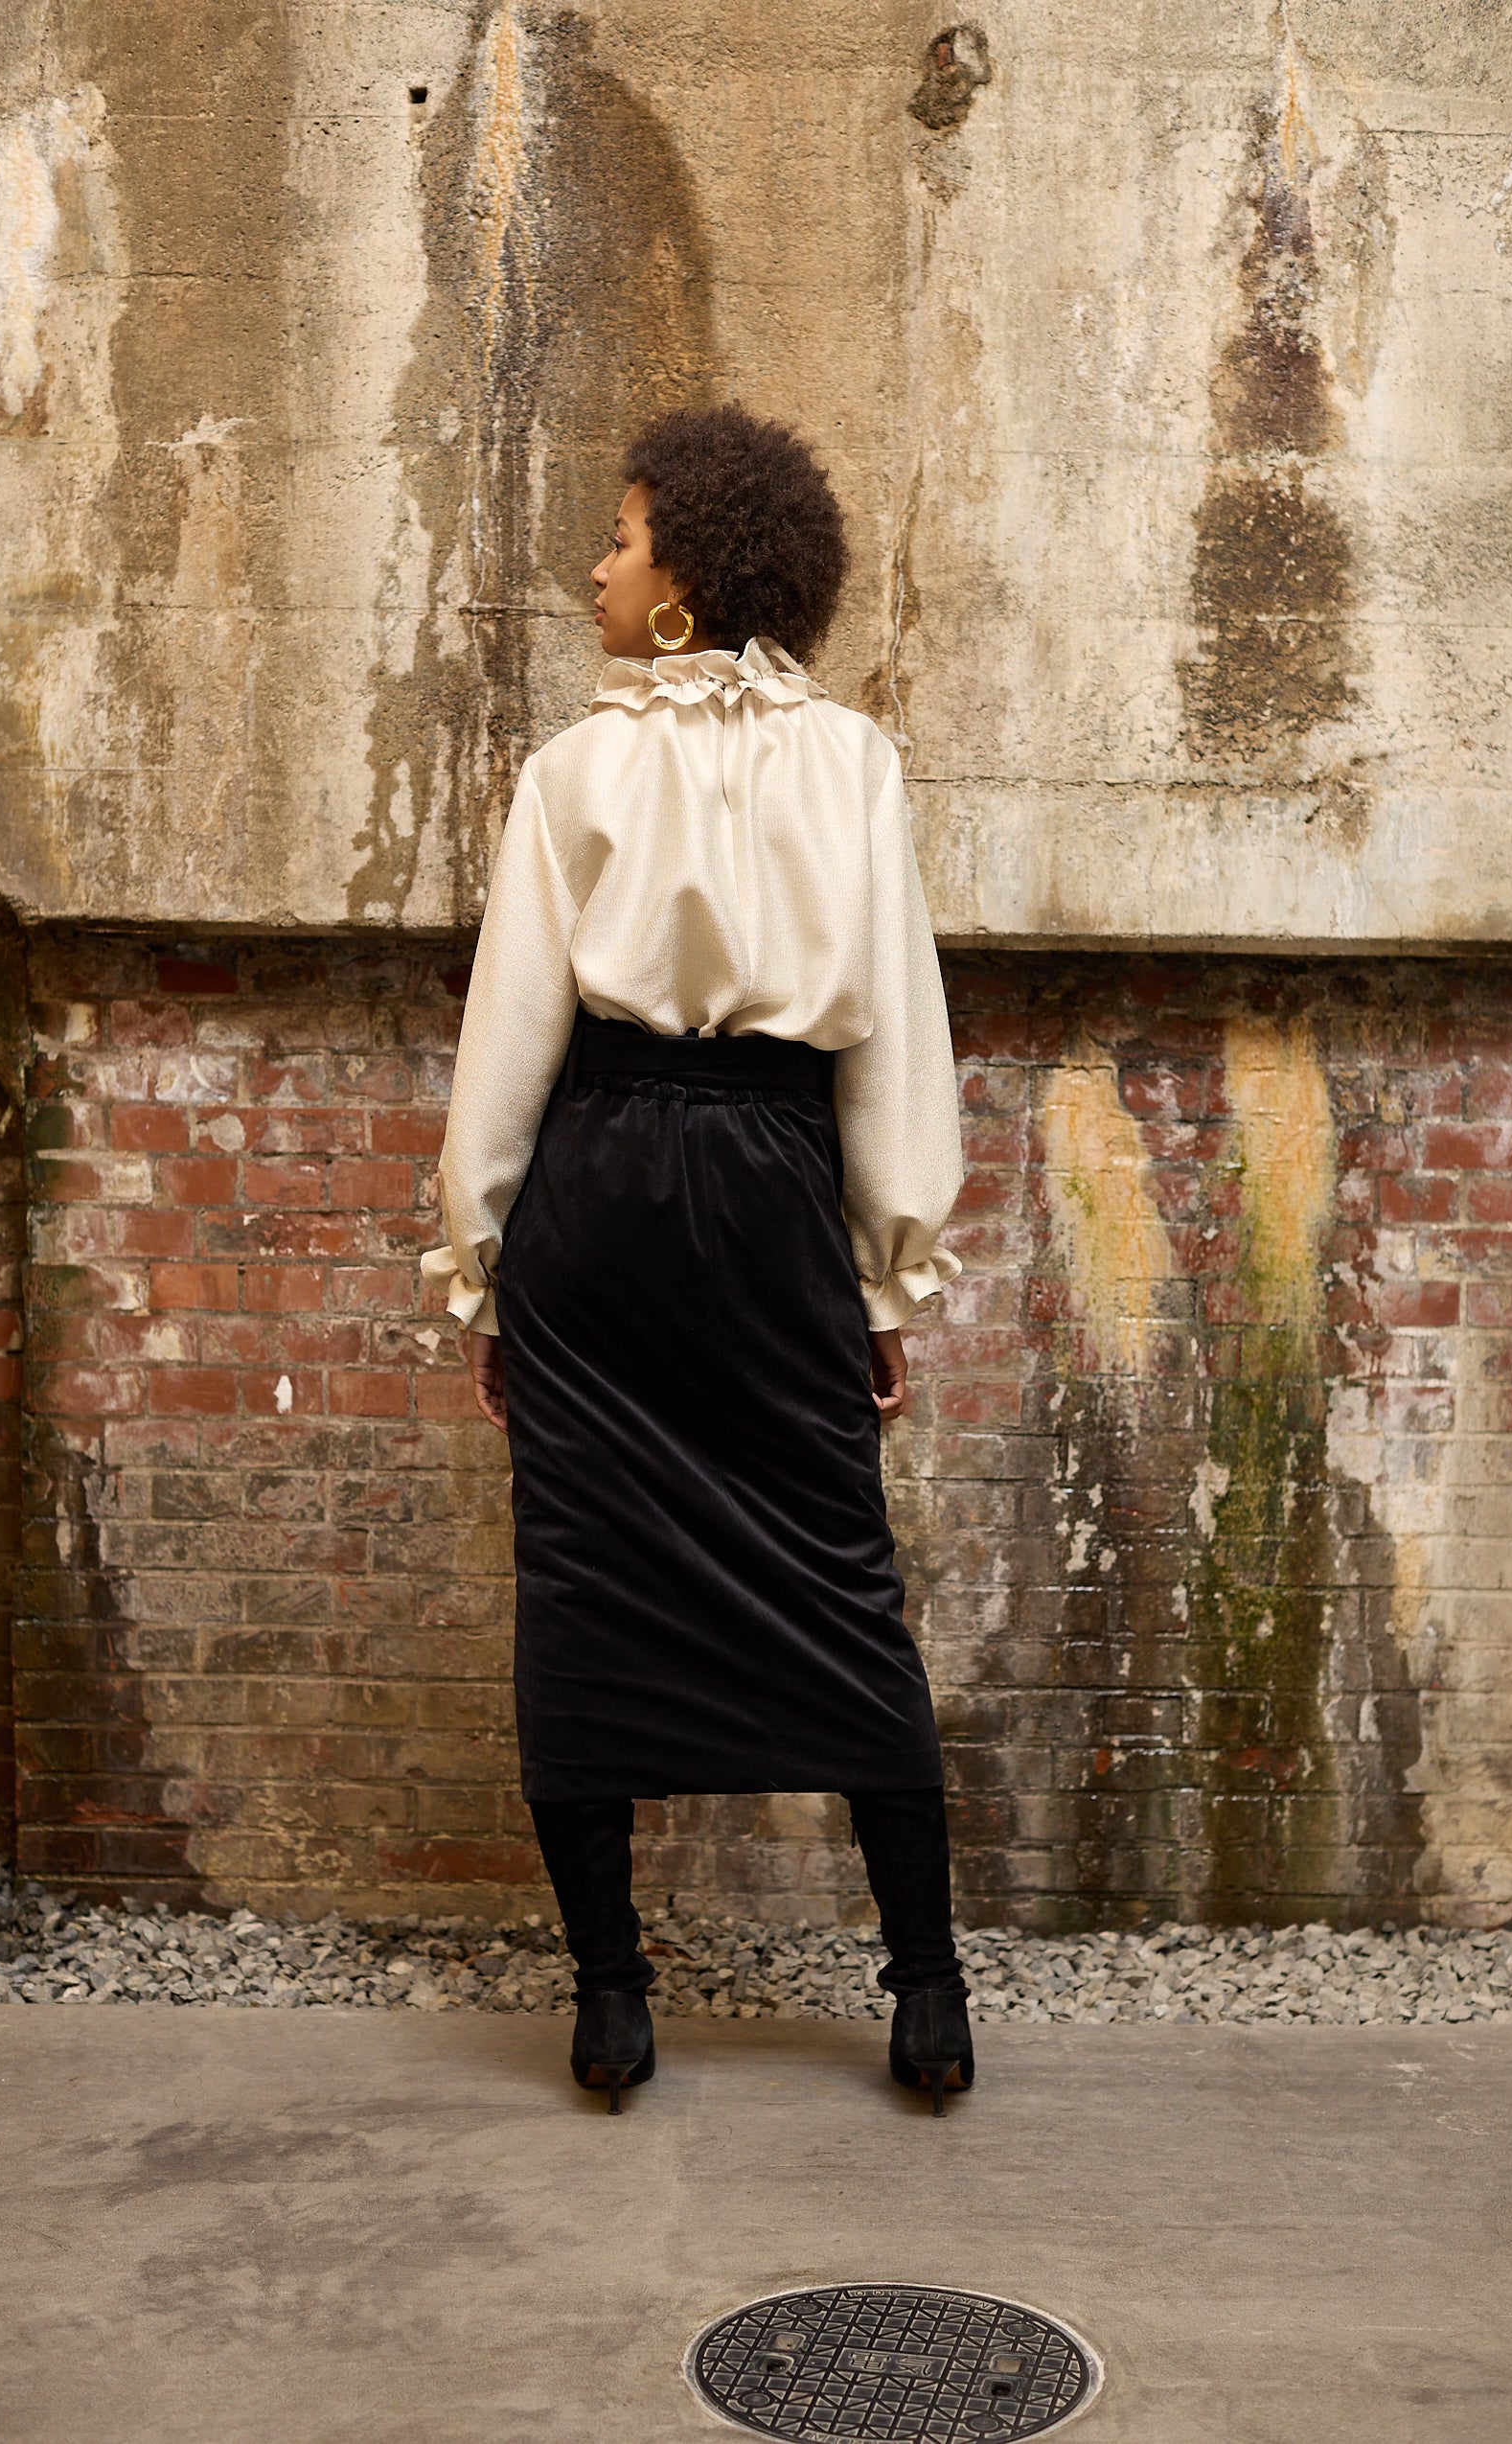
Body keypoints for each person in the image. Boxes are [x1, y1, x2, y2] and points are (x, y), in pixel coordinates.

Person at [423, 403, 969, 2113]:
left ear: (681, 590)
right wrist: (884, 1271)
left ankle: (612, 1994)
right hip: (769, 1189)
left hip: (604, 1194)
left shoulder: (575, 775)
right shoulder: (853, 762)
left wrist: (483, 1257)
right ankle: (929, 1992)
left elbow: (509, 1037)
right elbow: (893, 1039)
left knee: (586, 1590)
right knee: (844, 1589)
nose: (595, 561)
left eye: (621, 534)